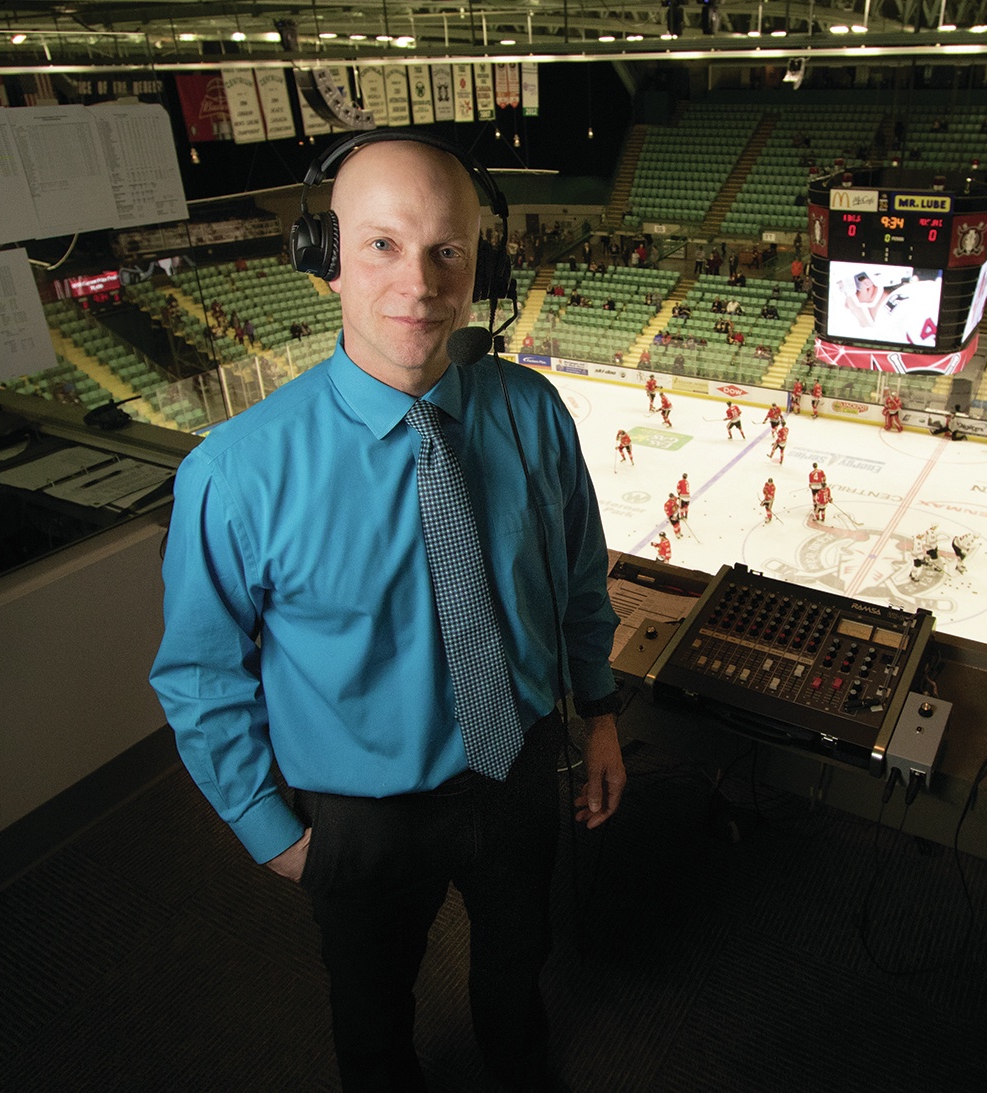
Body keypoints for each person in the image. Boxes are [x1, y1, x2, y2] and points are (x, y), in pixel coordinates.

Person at [149, 135, 623, 1093]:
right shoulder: (235, 472)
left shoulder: (533, 412)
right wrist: (271, 832)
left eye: (448, 250)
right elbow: (200, 677)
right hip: (361, 816)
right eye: (380, 245)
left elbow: (576, 579)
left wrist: (601, 711)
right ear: (321, 259)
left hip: (520, 768)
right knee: (370, 1015)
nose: (420, 282)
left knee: (515, 963)